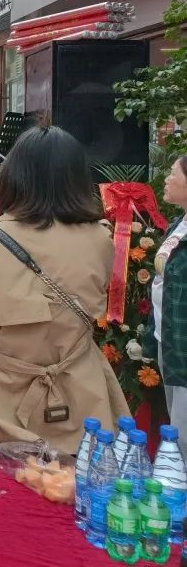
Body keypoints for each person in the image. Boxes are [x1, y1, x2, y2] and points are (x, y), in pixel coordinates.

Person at [0, 127, 131, 452]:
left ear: (13, 177)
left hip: (2, 411)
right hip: (84, 404)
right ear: (76, 179)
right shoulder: (101, 241)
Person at [149, 155, 187, 458]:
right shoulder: (178, 224)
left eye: (173, 173)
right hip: (169, 338)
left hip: (183, 343)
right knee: (177, 421)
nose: (166, 178)